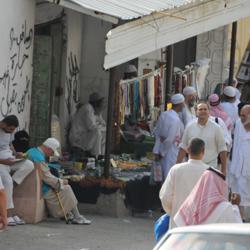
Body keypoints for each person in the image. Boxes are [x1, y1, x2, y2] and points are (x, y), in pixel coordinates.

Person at [26, 138, 91, 225]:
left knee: (63, 187)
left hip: (32, 183)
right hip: (39, 186)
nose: (52, 154)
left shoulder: (31, 151)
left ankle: (69, 214)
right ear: (48, 148)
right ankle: (77, 216)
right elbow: (46, 177)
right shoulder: (39, 157)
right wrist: (61, 181)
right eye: (52, 152)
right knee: (66, 188)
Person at [159, 138, 208, 228]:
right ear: (203, 151)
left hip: (178, 223)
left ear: (187, 150)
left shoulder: (176, 169)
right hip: (200, 226)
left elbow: (165, 196)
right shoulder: (210, 173)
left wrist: (174, 211)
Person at [174, 167, 242, 226]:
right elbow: (238, 231)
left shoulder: (190, 207)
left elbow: (181, 227)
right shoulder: (226, 208)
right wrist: (235, 206)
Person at [176, 101, 227, 175]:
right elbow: (183, 147)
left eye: (205, 109)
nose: (203, 111)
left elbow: (222, 149)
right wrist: (177, 166)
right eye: (200, 109)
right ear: (196, 112)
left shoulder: (216, 128)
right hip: (193, 168)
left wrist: (223, 170)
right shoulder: (190, 127)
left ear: (209, 111)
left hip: (210, 168)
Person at [0, 115, 34, 226]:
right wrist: (4, 162)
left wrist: (16, 154)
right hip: (1, 163)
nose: (12, 132)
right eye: (10, 129)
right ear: (3, 124)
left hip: (10, 160)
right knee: (7, 182)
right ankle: (8, 215)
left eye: (13, 130)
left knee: (29, 164)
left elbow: (10, 145)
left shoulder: (10, 132)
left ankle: (13, 184)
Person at [153, 93, 185, 179]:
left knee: (162, 175)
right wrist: (162, 153)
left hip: (161, 148)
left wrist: (157, 150)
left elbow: (157, 133)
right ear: (180, 104)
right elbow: (170, 139)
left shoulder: (164, 114)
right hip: (170, 151)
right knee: (169, 176)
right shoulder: (175, 119)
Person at [69, 92, 106, 159]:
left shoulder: (96, 111)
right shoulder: (88, 108)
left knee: (104, 133)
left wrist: (102, 126)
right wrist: (101, 127)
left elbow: (103, 123)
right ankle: (96, 156)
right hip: (77, 139)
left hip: (85, 136)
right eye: (101, 103)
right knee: (97, 132)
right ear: (96, 103)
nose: (103, 105)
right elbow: (91, 127)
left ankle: (102, 155)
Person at [230, 105, 250, 220]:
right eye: (240, 115)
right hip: (239, 167)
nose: (241, 117)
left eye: (244, 115)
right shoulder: (238, 123)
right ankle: (240, 222)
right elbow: (236, 144)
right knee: (240, 197)